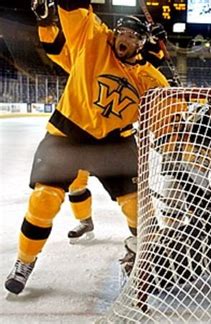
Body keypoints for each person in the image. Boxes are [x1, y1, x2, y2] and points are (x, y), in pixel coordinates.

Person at [5, 0, 168, 295]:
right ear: (114, 33)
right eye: (124, 33)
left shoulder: (150, 79)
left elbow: (167, 120)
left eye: (135, 37)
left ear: (142, 44)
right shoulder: (92, 40)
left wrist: (180, 142)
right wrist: (46, 22)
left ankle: (144, 259)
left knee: (137, 207)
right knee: (43, 200)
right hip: (67, 134)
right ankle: (24, 262)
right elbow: (74, 8)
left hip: (114, 143)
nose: (126, 39)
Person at [36, 4, 94, 242]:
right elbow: (56, 49)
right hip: (78, 130)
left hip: (112, 135)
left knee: (129, 195)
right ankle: (85, 221)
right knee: (76, 183)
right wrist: (46, 24)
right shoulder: (85, 60)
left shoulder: (124, 66)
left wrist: (156, 53)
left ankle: (139, 236)